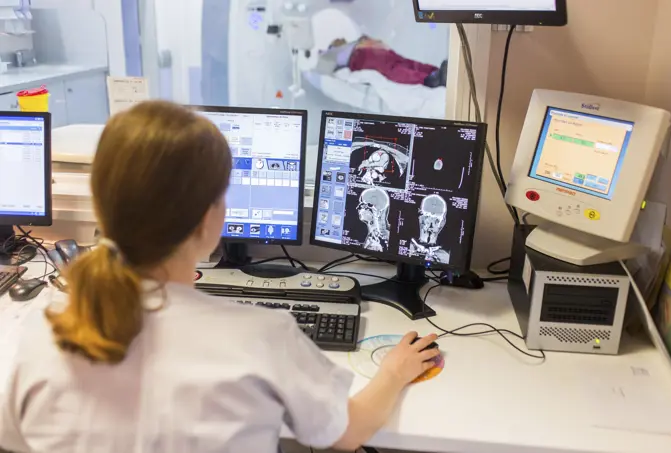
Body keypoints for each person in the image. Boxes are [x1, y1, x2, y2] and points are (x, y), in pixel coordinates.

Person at [0, 101, 440, 453]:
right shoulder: (260, 335)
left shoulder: (41, 331)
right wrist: (394, 373)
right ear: (209, 221)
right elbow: (345, 434)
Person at [318, 36, 448, 87]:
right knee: (396, 70)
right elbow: (323, 61)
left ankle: (436, 72)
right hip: (363, 57)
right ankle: (431, 78)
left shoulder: (351, 45)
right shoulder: (331, 54)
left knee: (405, 63)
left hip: (372, 52)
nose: (340, 39)